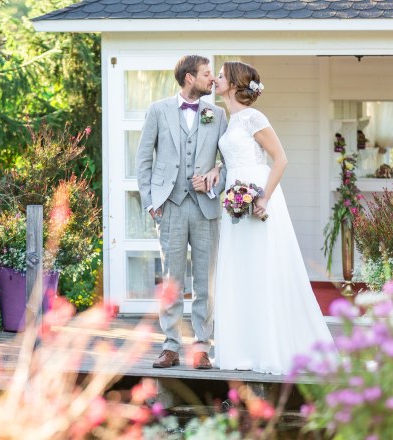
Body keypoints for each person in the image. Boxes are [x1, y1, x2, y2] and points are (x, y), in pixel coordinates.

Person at [203, 61, 335, 374]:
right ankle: (244, 349)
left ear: (234, 83)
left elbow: (280, 159)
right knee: (241, 269)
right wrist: (218, 169)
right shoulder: (229, 120)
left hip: (258, 196)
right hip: (235, 198)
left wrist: (264, 197)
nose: (216, 80)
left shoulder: (253, 118)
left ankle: (271, 348)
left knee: (263, 267)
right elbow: (232, 158)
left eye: (220, 76)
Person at [136, 55, 228, 370]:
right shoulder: (158, 110)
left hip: (205, 209)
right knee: (172, 281)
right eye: (206, 74)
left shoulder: (217, 114)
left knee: (205, 282)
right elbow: (143, 158)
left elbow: (229, 162)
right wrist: (150, 201)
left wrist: (215, 178)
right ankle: (171, 346)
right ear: (189, 78)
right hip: (171, 207)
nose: (212, 80)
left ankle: (201, 347)